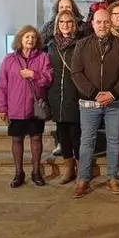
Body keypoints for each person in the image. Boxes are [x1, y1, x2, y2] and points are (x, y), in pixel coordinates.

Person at [70, 9, 119, 198]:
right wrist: (93, 93)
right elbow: (76, 72)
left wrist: (113, 94)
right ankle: (83, 179)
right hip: (89, 103)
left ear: (111, 23)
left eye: (106, 22)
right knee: (87, 141)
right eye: (99, 22)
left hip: (115, 102)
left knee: (114, 140)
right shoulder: (82, 45)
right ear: (93, 23)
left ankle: (113, 178)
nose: (103, 25)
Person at [0, 26, 53, 188]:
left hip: (34, 106)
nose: (30, 40)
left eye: (33, 37)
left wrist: (34, 75)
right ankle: (18, 173)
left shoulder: (43, 57)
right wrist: (1, 107)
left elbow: (48, 79)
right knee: (17, 139)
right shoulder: (9, 59)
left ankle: (36, 172)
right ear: (20, 39)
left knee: (36, 138)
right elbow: (2, 85)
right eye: (27, 37)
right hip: (15, 106)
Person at [46, 10, 85, 184]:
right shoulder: (51, 45)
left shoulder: (80, 43)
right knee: (62, 133)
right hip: (56, 94)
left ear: (74, 24)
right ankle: (68, 167)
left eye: (69, 22)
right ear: (57, 24)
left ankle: (80, 167)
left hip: (74, 93)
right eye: (62, 22)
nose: (65, 25)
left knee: (76, 133)